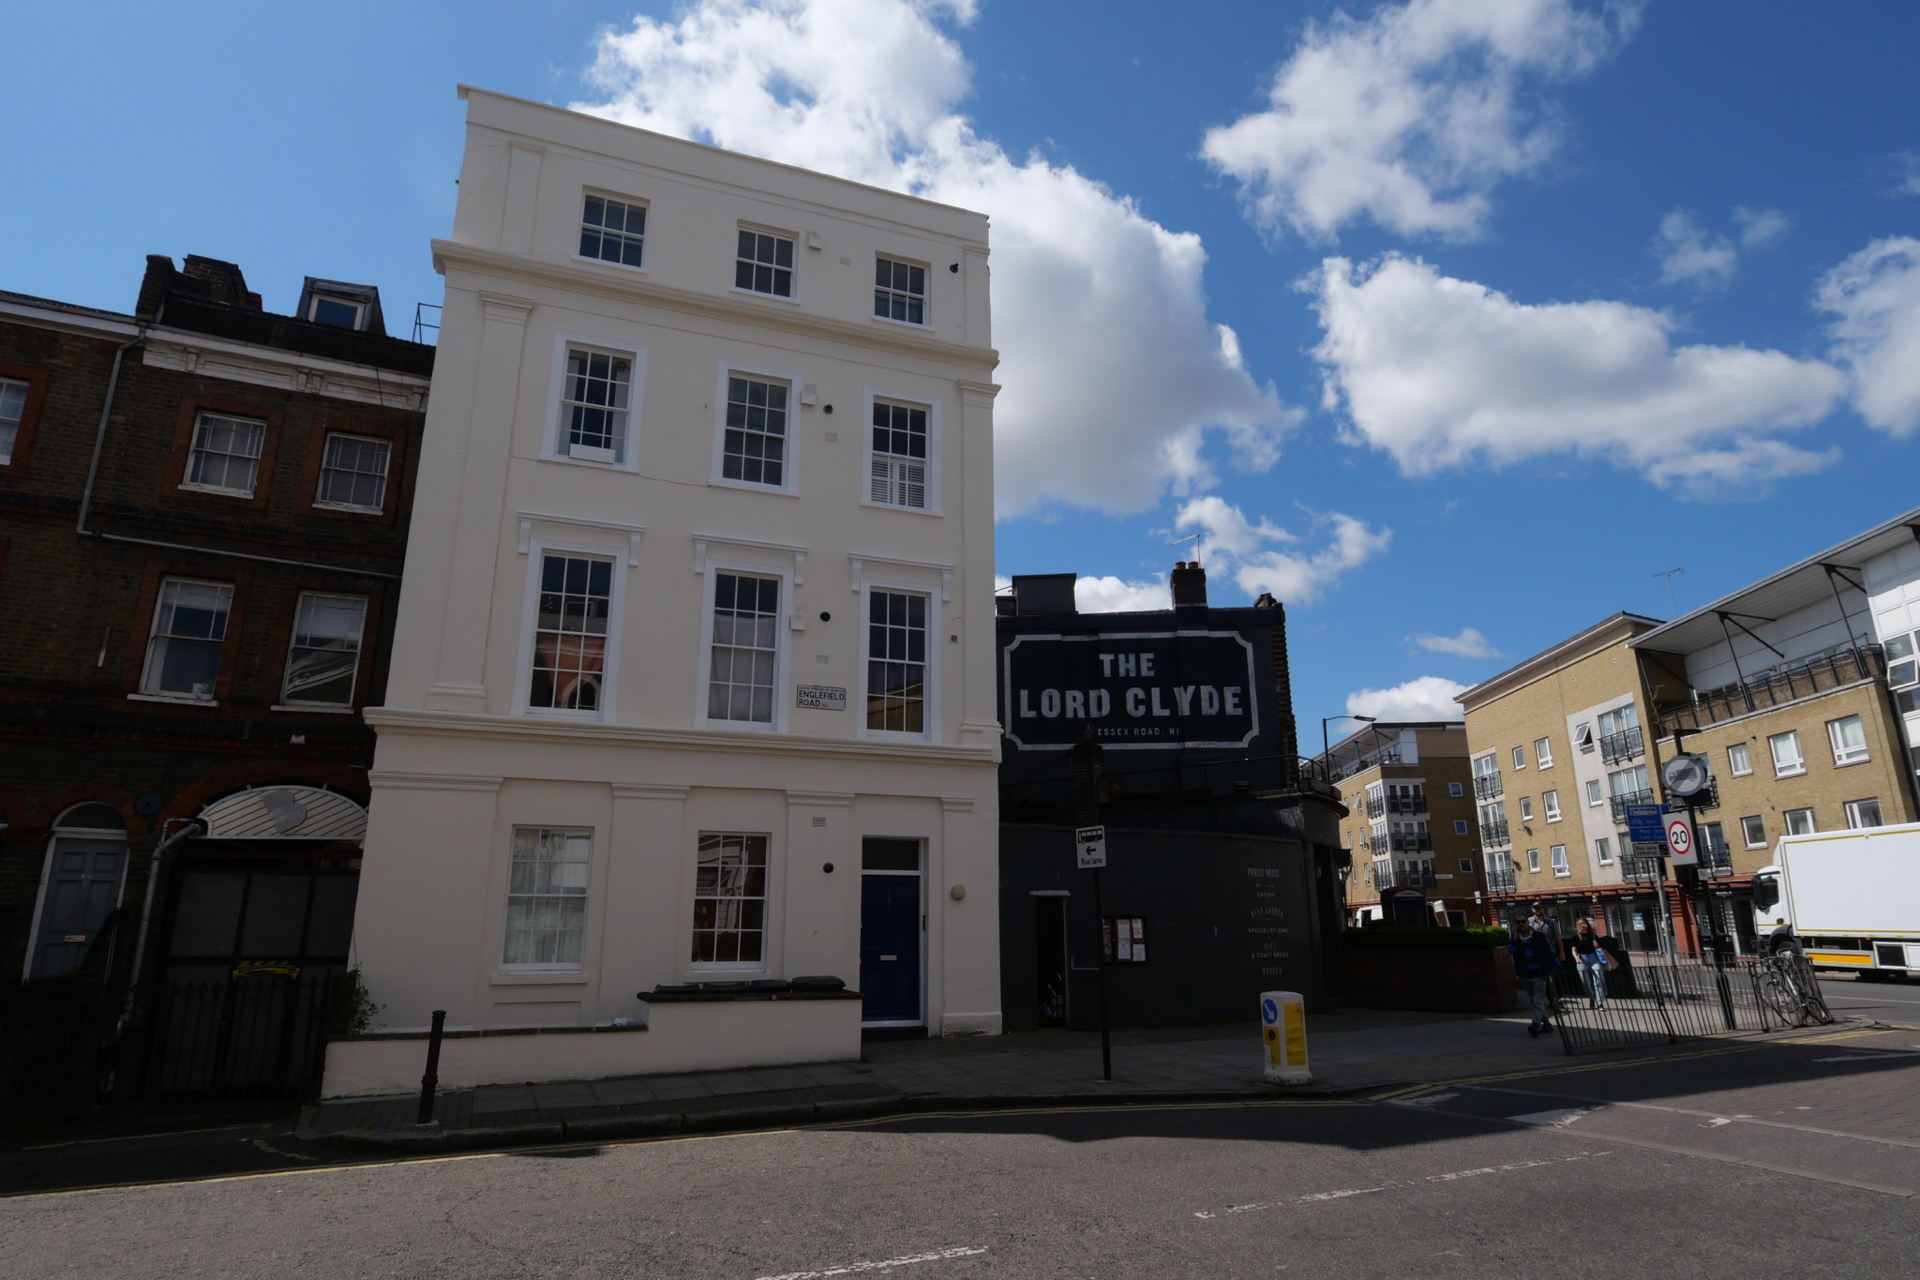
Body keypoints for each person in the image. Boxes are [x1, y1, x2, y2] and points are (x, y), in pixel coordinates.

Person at [1509, 916, 1559, 1037]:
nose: (1521, 924)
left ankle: (1535, 1024)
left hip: (1539, 974)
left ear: (1528, 922)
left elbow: (1549, 951)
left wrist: (1558, 967)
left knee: (1537, 999)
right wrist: (1514, 939)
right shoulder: (1516, 938)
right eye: (1518, 922)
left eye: (1523, 921)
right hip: (1524, 975)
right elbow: (1512, 951)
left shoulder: (1539, 936)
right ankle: (1546, 1024)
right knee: (1535, 1001)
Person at [1571, 916, 1607, 1008]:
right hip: (1582, 959)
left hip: (1594, 958)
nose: (1582, 926)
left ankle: (1600, 1002)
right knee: (1585, 982)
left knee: (1598, 980)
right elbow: (1574, 949)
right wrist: (1576, 958)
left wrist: (1597, 945)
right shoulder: (1575, 936)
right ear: (1577, 926)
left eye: (1583, 923)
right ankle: (1591, 996)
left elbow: (1601, 948)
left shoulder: (1593, 935)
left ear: (1587, 924)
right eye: (1580, 924)